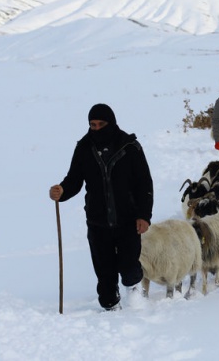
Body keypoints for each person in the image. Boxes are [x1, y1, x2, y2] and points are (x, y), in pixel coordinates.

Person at [49, 103, 154, 311]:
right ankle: (110, 306)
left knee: (129, 265)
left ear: (111, 123)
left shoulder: (130, 147)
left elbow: (144, 183)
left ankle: (134, 294)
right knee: (104, 270)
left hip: (127, 219)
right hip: (98, 220)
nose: (96, 129)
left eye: (101, 124)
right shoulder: (84, 147)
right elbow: (74, 180)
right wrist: (62, 190)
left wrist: (144, 215)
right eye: (92, 125)